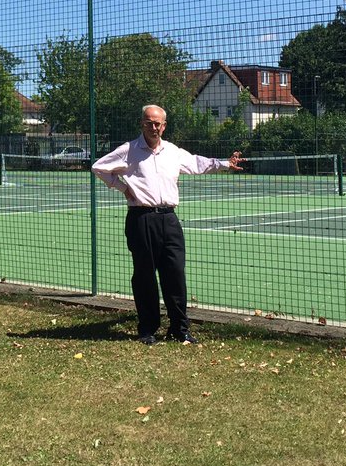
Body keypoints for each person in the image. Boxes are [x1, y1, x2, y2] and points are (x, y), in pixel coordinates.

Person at [91, 104, 243, 345]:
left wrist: (225, 164)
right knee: (144, 276)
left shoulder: (172, 151)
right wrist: (122, 187)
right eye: (149, 123)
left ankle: (179, 329)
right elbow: (98, 167)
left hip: (169, 219)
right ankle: (148, 329)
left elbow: (196, 163)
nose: (154, 127)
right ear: (142, 124)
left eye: (158, 123)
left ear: (164, 126)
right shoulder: (128, 150)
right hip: (141, 219)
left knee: (175, 274)